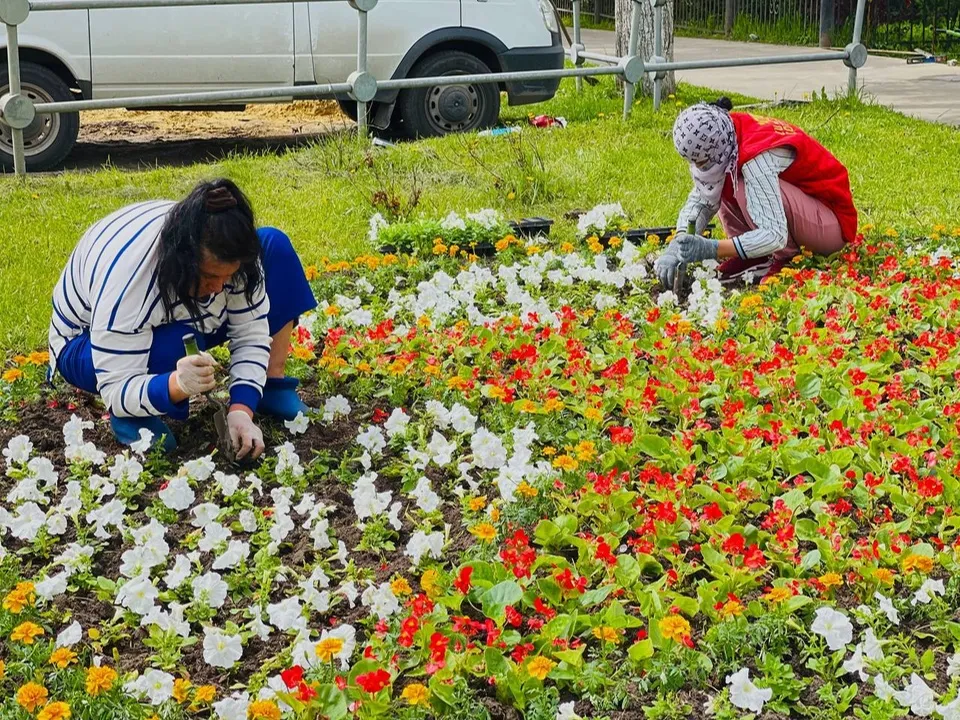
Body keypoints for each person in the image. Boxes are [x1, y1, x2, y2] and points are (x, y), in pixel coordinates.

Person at [48, 178, 318, 457]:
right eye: (212, 276)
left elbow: (251, 332)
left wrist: (242, 409)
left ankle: (269, 386)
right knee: (179, 343)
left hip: (178, 312)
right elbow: (115, 387)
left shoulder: (227, 254)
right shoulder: (130, 281)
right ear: (184, 260)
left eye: (229, 277)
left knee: (274, 247)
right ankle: (131, 417)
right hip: (84, 343)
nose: (219, 288)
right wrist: (177, 383)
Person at [655, 97, 858, 287]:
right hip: (807, 212)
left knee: (742, 186)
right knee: (725, 181)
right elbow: (702, 201)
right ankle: (753, 255)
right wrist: (677, 245)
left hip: (832, 226)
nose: (698, 168)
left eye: (700, 162)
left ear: (714, 149)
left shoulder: (756, 157)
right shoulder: (725, 132)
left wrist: (712, 248)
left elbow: (774, 235)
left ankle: (786, 258)